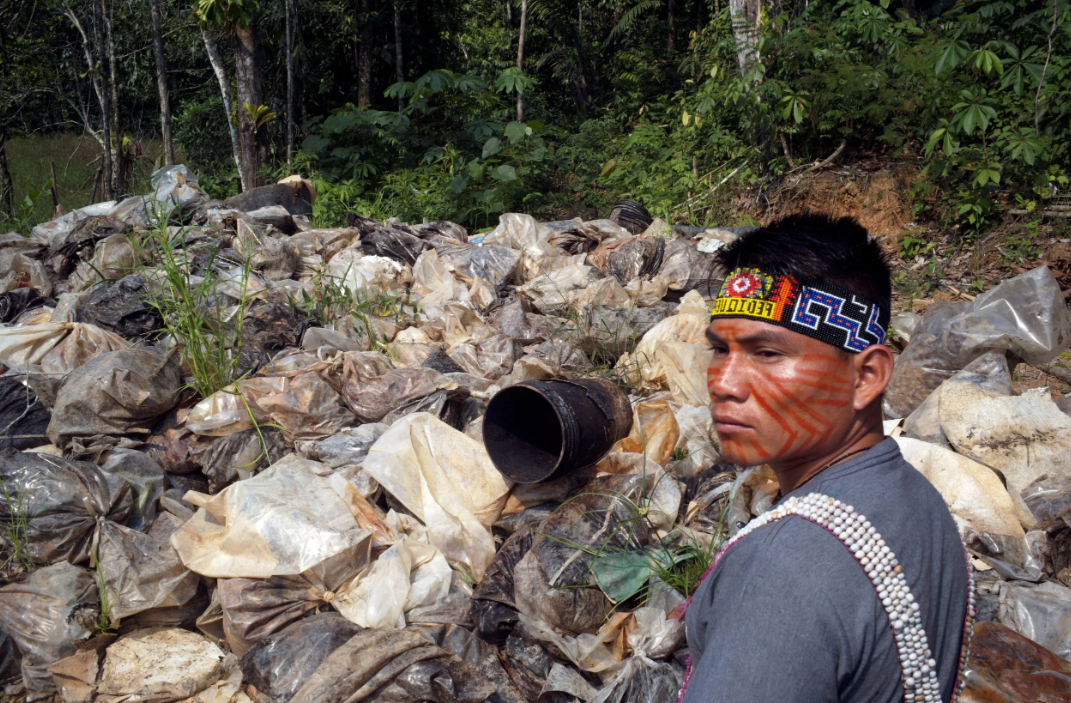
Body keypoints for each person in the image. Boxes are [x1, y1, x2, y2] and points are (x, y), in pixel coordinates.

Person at [679, 214, 974, 703]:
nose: (724, 383)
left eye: (768, 353)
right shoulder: (913, 495)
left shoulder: (782, 572)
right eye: (719, 349)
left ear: (866, 376)